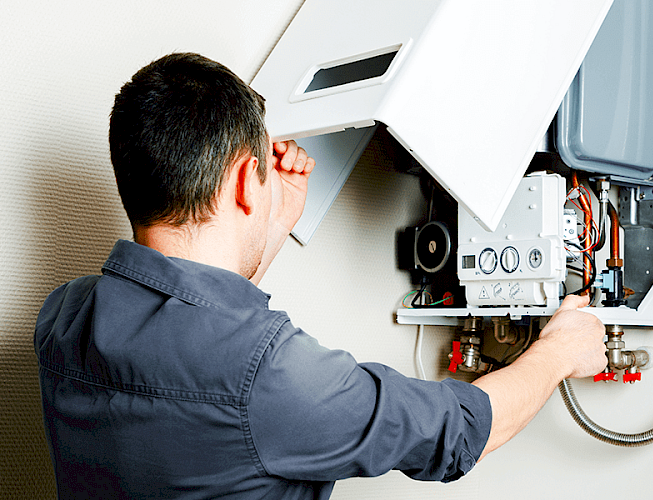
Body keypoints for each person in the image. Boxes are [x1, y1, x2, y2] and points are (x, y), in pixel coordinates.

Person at [35, 52, 606, 499]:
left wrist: (273, 221)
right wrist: (560, 350)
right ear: (242, 181)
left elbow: (198, 338)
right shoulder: (271, 377)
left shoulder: (63, 318)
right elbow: (460, 433)